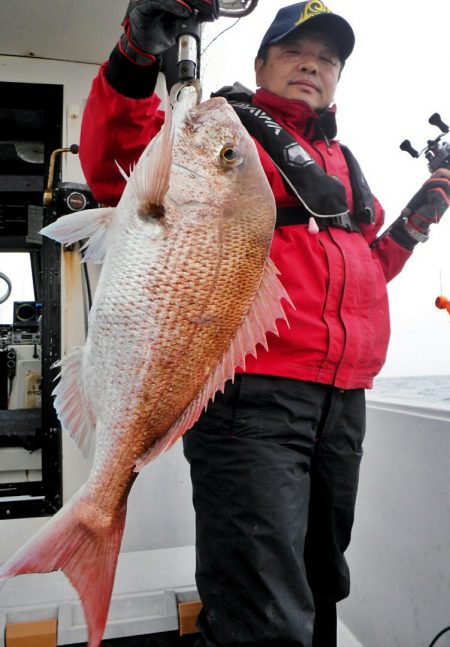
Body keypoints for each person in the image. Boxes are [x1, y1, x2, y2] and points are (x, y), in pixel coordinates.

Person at [78, 1, 450, 645]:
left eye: (329, 59)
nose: (313, 65)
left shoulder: (345, 165)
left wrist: (414, 223)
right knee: (262, 611)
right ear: (261, 63)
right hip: (253, 398)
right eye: (294, 51)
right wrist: (136, 56)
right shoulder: (228, 133)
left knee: (320, 582)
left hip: (342, 404)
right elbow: (118, 160)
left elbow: (360, 274)